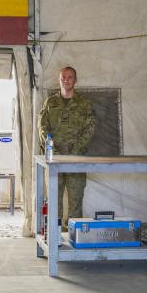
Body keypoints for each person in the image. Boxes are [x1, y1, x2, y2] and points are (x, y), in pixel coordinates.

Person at [37, 66, 96, 223]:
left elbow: (90, 129)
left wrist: (75, 151)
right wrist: (53, 151)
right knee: (54, 201)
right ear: (59, 79)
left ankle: (72, 240)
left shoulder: (84, 104)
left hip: (76, 160)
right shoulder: (50, 102)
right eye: (63, 77)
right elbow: (42, 128)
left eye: (70, 77)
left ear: (75, 80)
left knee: (75, 202)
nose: (66, 80)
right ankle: (54, 238)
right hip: (54, 159)